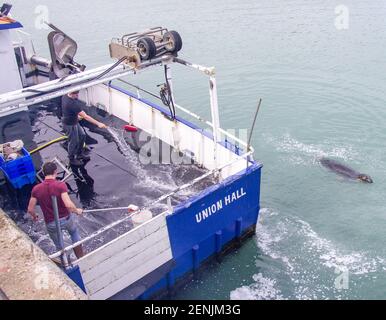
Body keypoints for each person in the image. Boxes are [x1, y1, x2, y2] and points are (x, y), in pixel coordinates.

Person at [27, 161, 84, 258]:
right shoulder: (60, 185)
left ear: (44, 173)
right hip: (66, 219)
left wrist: (34, 216)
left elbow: (30, 209)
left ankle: (66, 262)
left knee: (59, 246)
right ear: (55, 172)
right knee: (74, 234)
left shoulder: (36, 189)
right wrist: (77, 210)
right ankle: (81, 257)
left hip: (51, 223)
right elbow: (68, 205)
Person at [62, 91, 107, 165]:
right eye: (76, 95)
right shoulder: (72, 104)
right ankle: (71, 159)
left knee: (82, 135)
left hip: (74, 120)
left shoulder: (64, 96)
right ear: (71, 94)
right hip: (69, 124)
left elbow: (66, 109)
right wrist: (98, 123)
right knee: (73, 141)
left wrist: (76, 116)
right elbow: (85, 116)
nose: (77, 96)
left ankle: (79, 154)